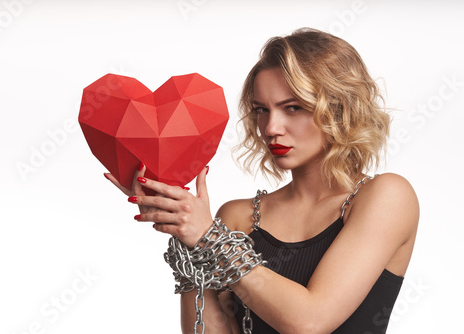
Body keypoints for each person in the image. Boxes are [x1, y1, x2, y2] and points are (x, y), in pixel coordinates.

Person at [105, 28, 419, 333]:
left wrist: (208, 238)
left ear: (339, 108)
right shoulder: (237, 217)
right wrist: (185, 234)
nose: (271, 127)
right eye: (261, 110)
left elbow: (308, 322)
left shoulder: (386, 196)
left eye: (293, 108)